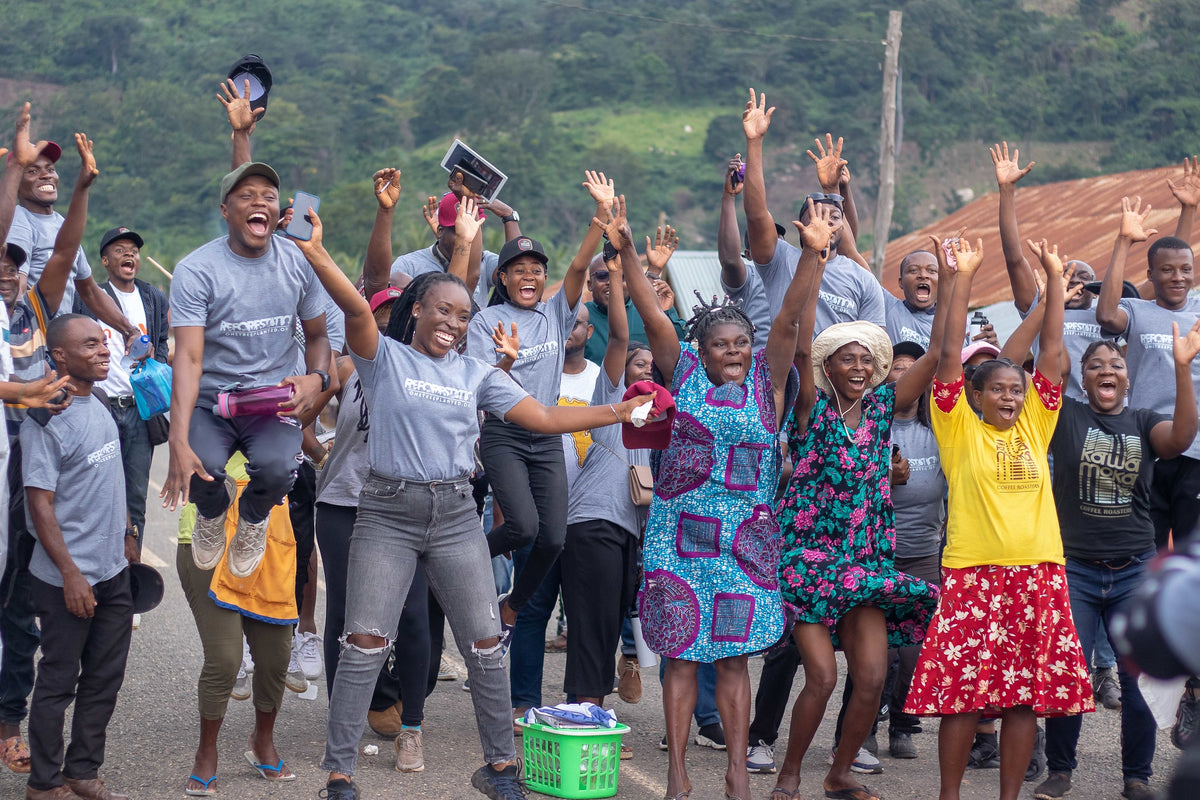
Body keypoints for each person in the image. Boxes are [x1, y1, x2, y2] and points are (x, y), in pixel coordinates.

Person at [288, 195, 650, 800]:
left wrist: (621, 408)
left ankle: (501, 769)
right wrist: (316, 251)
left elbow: (540, 416)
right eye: (444, 312)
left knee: (485, 644)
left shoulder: (477, 374)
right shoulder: (384, 359)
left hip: (455, 513)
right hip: (388, 511)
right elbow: (355, 306)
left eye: (462, 316)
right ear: (416, 312)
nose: (454, 324)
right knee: (366, 642)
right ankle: (340, 772)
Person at [629, 189, 840, 800]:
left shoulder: (768, 382)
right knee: (681, 657)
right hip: (679, 532)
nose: (732, 351)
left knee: (733, 660)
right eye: (721, 344)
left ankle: (737, 772)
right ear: (700, 349)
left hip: (746, 542)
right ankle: (677, 775)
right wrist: (626, 250)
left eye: (739, 345)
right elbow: (652, 316)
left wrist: (811, 256)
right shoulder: (682, 370)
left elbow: (789, 319)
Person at [905, 237, 1093, 800]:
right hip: (973, 575)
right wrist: (961, 276)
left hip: (1038, 575)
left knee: (1023, 699)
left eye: (1018, 390)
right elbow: (944, 356)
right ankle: (949, 796)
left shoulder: (1038, 425)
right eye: (999, 391)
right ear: (976, 396)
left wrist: (1054, 283)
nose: (1011, 398)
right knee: (964, 697)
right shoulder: (957, 430)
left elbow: (1053, 348)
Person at [770, 233, 946, 800]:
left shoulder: (881, 414)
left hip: (863, 565)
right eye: (847, 357)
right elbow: (797, 340)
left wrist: (955, 277)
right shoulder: (811, 409)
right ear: (829, 367)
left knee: (871, 678)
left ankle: (839, 772)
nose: (859, 364)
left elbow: (939, 354)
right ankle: (791, 772)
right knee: (820, 675)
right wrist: (815, 259)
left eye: (866, 358)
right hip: (809, 564)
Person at [1034, 328, 1200, 800]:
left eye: (1117, 365)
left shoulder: (1145, 420)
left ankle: (1137, 777)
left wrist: (1183, 368)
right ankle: (1061, 769)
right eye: (1096, 365)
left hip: (1134, 568)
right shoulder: (1064, 417)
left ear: (1128, 378)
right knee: (1070, 674)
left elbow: (1181, 438)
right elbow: (1049, 363)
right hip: (1077, 569)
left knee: (1138, 685)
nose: (1107, 370)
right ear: (1082, 380)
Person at [160, 161, 336, 582]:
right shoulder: (196, 270)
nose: (259, 202)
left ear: (279, 212)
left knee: (279, 470)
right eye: (246, 195)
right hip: (211, 402)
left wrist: (317, 378)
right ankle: (212, 509)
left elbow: (318, 337)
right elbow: (187, 358)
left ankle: (253, 519)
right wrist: (176, 438)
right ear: (225, 210)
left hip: (270, 401)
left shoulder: (298, 260)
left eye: (269, 196)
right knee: (198, 464)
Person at [467, 171, 609, 642]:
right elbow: (480, 389)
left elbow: (577, 270)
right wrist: (504, 363)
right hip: (505, 432)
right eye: (518, 270)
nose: (529, 276)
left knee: (552, 537)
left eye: (536, 270)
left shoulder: (554, 314)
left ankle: (512, 605)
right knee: (522, 527)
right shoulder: (486, 320)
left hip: (547, 435)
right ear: (501, 278)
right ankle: (460, 557)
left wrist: (600, 217)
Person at [0, 119, 96, 779]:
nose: (8, 273)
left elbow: (63, 250)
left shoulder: (35, 307)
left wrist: (84, 186)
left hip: (28, 473)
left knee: (24, 606)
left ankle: (9, 723)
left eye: (15, 265)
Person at [314, 284, 434, 774]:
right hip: (344, 503)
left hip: (406, 506)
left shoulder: (425, 368)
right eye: (378, 310)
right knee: (347, 614)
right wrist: (319, 455)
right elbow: (301, 415)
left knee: (411, 613)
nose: (387, 317)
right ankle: (341, 721)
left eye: (395, 309)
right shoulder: (347, 367)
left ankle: (413, 727)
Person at [21, 313, 135, 800]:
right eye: (90, 345)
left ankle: (82, 772)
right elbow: (38, 503)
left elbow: (112, 475)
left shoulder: (101, 399)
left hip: (113, 571)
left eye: (104, 341)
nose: (103, 350)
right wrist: (70, 575)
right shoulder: (46, 419)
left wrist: (129, 530)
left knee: (105, 680)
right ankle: (43, 784)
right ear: (60, 356)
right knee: (58, 683)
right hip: (67, 577)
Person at [558, 228, 648, 754]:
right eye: (635, 367)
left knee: (609, 625)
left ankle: (588, 711)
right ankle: (587, 716)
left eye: (649, 368)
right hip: (591, 522)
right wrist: (615, 279)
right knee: (591, 626)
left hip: (627, 528)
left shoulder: (658, 415)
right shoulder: (611, 396)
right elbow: (618, 341)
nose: (643, 371)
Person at [1096, 197, 1200, 549]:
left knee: (1191, 551)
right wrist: (1123, 241)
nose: (1178, 276)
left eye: (1185, 268)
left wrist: (1189, 210)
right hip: (1146, 446)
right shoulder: (1136, 311)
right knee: (1147, 546)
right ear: (1150, 274)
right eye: (1167, 269)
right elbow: (1106, 315)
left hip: (1196, 450)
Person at [741, 89, 885, 332]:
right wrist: (754, 143)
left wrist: (833, 188)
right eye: (816, 216)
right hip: (789, 369)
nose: (825, 222)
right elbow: (756, 215)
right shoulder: (781, 261)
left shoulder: (861, 277)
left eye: (834, 217)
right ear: (800, 226)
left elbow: (873, 341)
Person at [991, 142, 1101, 401]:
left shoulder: (1107, 318)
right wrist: (1006, 191)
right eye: (1066, 274)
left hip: (1098, 416)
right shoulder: (1039, 310)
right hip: (1051, 413)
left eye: (1083, 278)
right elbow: (1015, 260)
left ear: (1097, 290)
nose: (1073, 280)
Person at [882, 341, 948, 760]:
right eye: (896, 368)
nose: (904, 375)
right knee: (878, 657)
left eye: (913, 368)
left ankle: (903, 724)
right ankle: (863, 730)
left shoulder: (940, 428)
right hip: (879, 555)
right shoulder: (872, 425)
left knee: (913, 655)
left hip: (925, 555)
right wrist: (886, 481)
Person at [92, 226, 169, 557]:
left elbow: (163, 340)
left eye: (134, 251)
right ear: (105, 260)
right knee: (98, 492)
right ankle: (99, 568)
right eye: (120, 250)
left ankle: (130, 573)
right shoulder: (91, 297)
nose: (129, 255)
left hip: (139, 411)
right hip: (101, 409)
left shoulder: (152, 297)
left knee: (135, 496)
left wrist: (155, 363)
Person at [582, 227, 686, 364]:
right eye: (603, 276)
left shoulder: (650, 309)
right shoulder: (581, 317)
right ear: (590, 284)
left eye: (622, 276)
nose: (613, 281)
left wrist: (664, 312)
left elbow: (681, 343)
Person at [716, 154, 772, 349]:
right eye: (760, 243)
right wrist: (729, 197)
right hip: (755, 371)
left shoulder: (798, 274)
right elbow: (730, 261)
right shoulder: (750, 280)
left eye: (776, 241)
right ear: (747, 254)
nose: (771, 246)